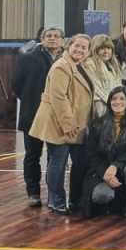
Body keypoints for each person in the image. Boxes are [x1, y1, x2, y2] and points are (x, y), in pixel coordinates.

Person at [28, 33, 92, 215]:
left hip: (75, 124)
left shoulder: (78, 66)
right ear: (68, 46)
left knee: (70, 163)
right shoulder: (61, 67)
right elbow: (58, 98)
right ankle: (56, 201)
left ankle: (70, 200)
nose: (79, 49)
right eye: (76, 46)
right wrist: (68, 124)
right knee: (58, 163)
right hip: (60, 124)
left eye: (83, 48)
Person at [13, 26, 63, 207]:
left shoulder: (66, 59)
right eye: (48, 36)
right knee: (32, 155)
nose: (52, 38)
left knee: (54, 156)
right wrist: (31, 99)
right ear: (42, 38)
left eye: (56, 36)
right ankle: (33, 192)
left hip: (56, 116)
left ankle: (53, 193)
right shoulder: (28, 58)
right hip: (32, 114)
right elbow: (17, 84)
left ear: (62, 40)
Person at [80, 86, 126, 218]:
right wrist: (105, 173)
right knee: (101, 196)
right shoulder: (97, 123)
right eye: (114, 99)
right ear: (109, 101)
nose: (117, 102)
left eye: (122, 99)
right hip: (103, 171)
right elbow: (92, 155)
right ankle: (114, 200)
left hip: (124, 168)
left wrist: (116, 165)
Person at [80, 34, 124, 120]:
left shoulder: (113, 65)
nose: (106, 51)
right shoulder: (89, 64)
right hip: (100, 106)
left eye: (108, 48)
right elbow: (96, 87)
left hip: (114, 105)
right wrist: (112, 101)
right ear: (95, 49)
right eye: (102, 48)